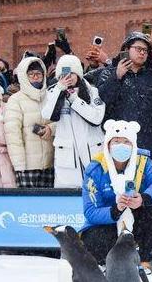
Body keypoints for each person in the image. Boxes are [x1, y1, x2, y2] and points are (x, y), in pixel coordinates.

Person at [80, 120, 152, 268]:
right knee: (93, 241)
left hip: (136, 216)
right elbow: (90, 212)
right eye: (116, 141)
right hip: (109, 222)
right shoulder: (95, 169)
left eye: (126, 141)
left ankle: (146, 259)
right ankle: (113, 260)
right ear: (108, 145)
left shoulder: (142, 161)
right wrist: (115, 210)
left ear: (133, 145)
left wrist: (143, 198)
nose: (121, 146)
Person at [94, 32, 152, 170]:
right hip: (119, 142)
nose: (142, 53)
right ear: (126, 50)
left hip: (149, 141)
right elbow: (103, 101)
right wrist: (117, 77)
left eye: (145, 50)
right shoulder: (109, 73)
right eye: (138, 49)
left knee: (147, 183)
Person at [42, 55, 106, 188]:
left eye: (72, 73)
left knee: (97, 192)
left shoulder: (92, 91)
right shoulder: (53, 93)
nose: (68, 77)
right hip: (68, 160)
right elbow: (47, 114)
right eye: (64, 74)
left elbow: (96, 118)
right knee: (67, 201)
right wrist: (59, 89)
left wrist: (75, 100)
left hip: (92, 153)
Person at [4, 56, 55, 187]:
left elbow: (64, 123)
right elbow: (13, 135)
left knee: (50, 206)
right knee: (29, 206)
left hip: (51, 163)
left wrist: (51, 128)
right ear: (23, 76)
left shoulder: (51, 97)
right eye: (31, 74)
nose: (35, 77)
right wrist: (19, 165)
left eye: (38, 73)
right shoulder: (15, 100)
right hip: (28, 166)